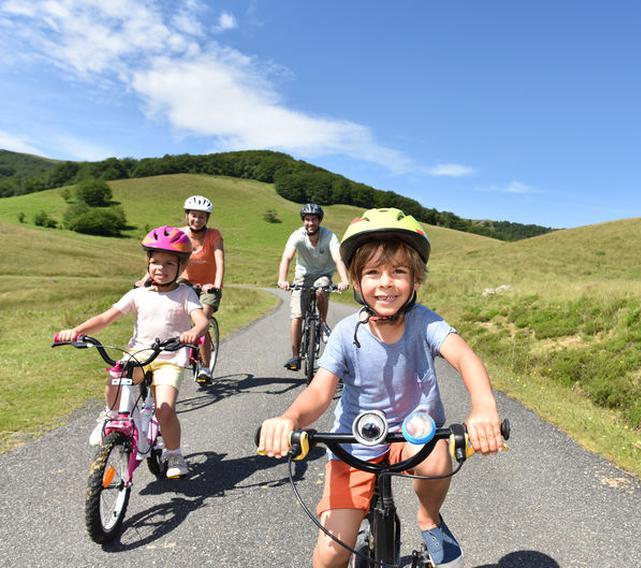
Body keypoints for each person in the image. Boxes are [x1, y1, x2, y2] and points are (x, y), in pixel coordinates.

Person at [259, 208, 504, 568]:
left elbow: (466, 359)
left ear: (415, 280)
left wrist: (484, 409)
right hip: (354, 444)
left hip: (413, 436)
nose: (385, 282)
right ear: (356, 282)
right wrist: (289, 418)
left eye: (398, 272)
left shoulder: (426, 323)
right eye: (372, 273)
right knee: (330, 553)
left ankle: (428, 517)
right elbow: (321, 390)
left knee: (437, 457)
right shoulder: (346, 332)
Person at [60, 226, 208, 479]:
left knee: (164, 409)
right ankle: (110, 416)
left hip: (169, 360)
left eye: (168, 263)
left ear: (181, 267)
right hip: (139, 353)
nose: (160, 268)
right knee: (116, 374)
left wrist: (194, 332)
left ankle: (174, 453)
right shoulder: (137, 294)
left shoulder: (185, 294)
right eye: (155, 262)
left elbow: (201, 320)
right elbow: (106, 317)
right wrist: (76, 330)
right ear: (147, 264)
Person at [136, 195, 224, 383]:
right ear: (186, 215)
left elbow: (220, 261)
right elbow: (163, 258)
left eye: (201, 217)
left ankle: (205, 368)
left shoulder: (214, 235)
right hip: (186, 282)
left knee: (202, 320)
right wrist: (145, 280)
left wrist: (215, 285)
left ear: (207, 219)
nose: (197, 220)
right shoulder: (179, 235)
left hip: (208, 288)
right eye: (193, 215)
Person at [277, 203, 349, 371]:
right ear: (304, 221)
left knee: (321, 289)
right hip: (303, 276)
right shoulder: (297, 235)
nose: (310, 223)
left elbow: (338, 259)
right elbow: (286, 258)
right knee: (297, 316)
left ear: (319, 221)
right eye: (307, 219)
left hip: (323, 274)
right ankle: (295, 356)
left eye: (314, 219)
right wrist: (282, 279)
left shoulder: (329, 236)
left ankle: (322, 323)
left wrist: (344, 280)